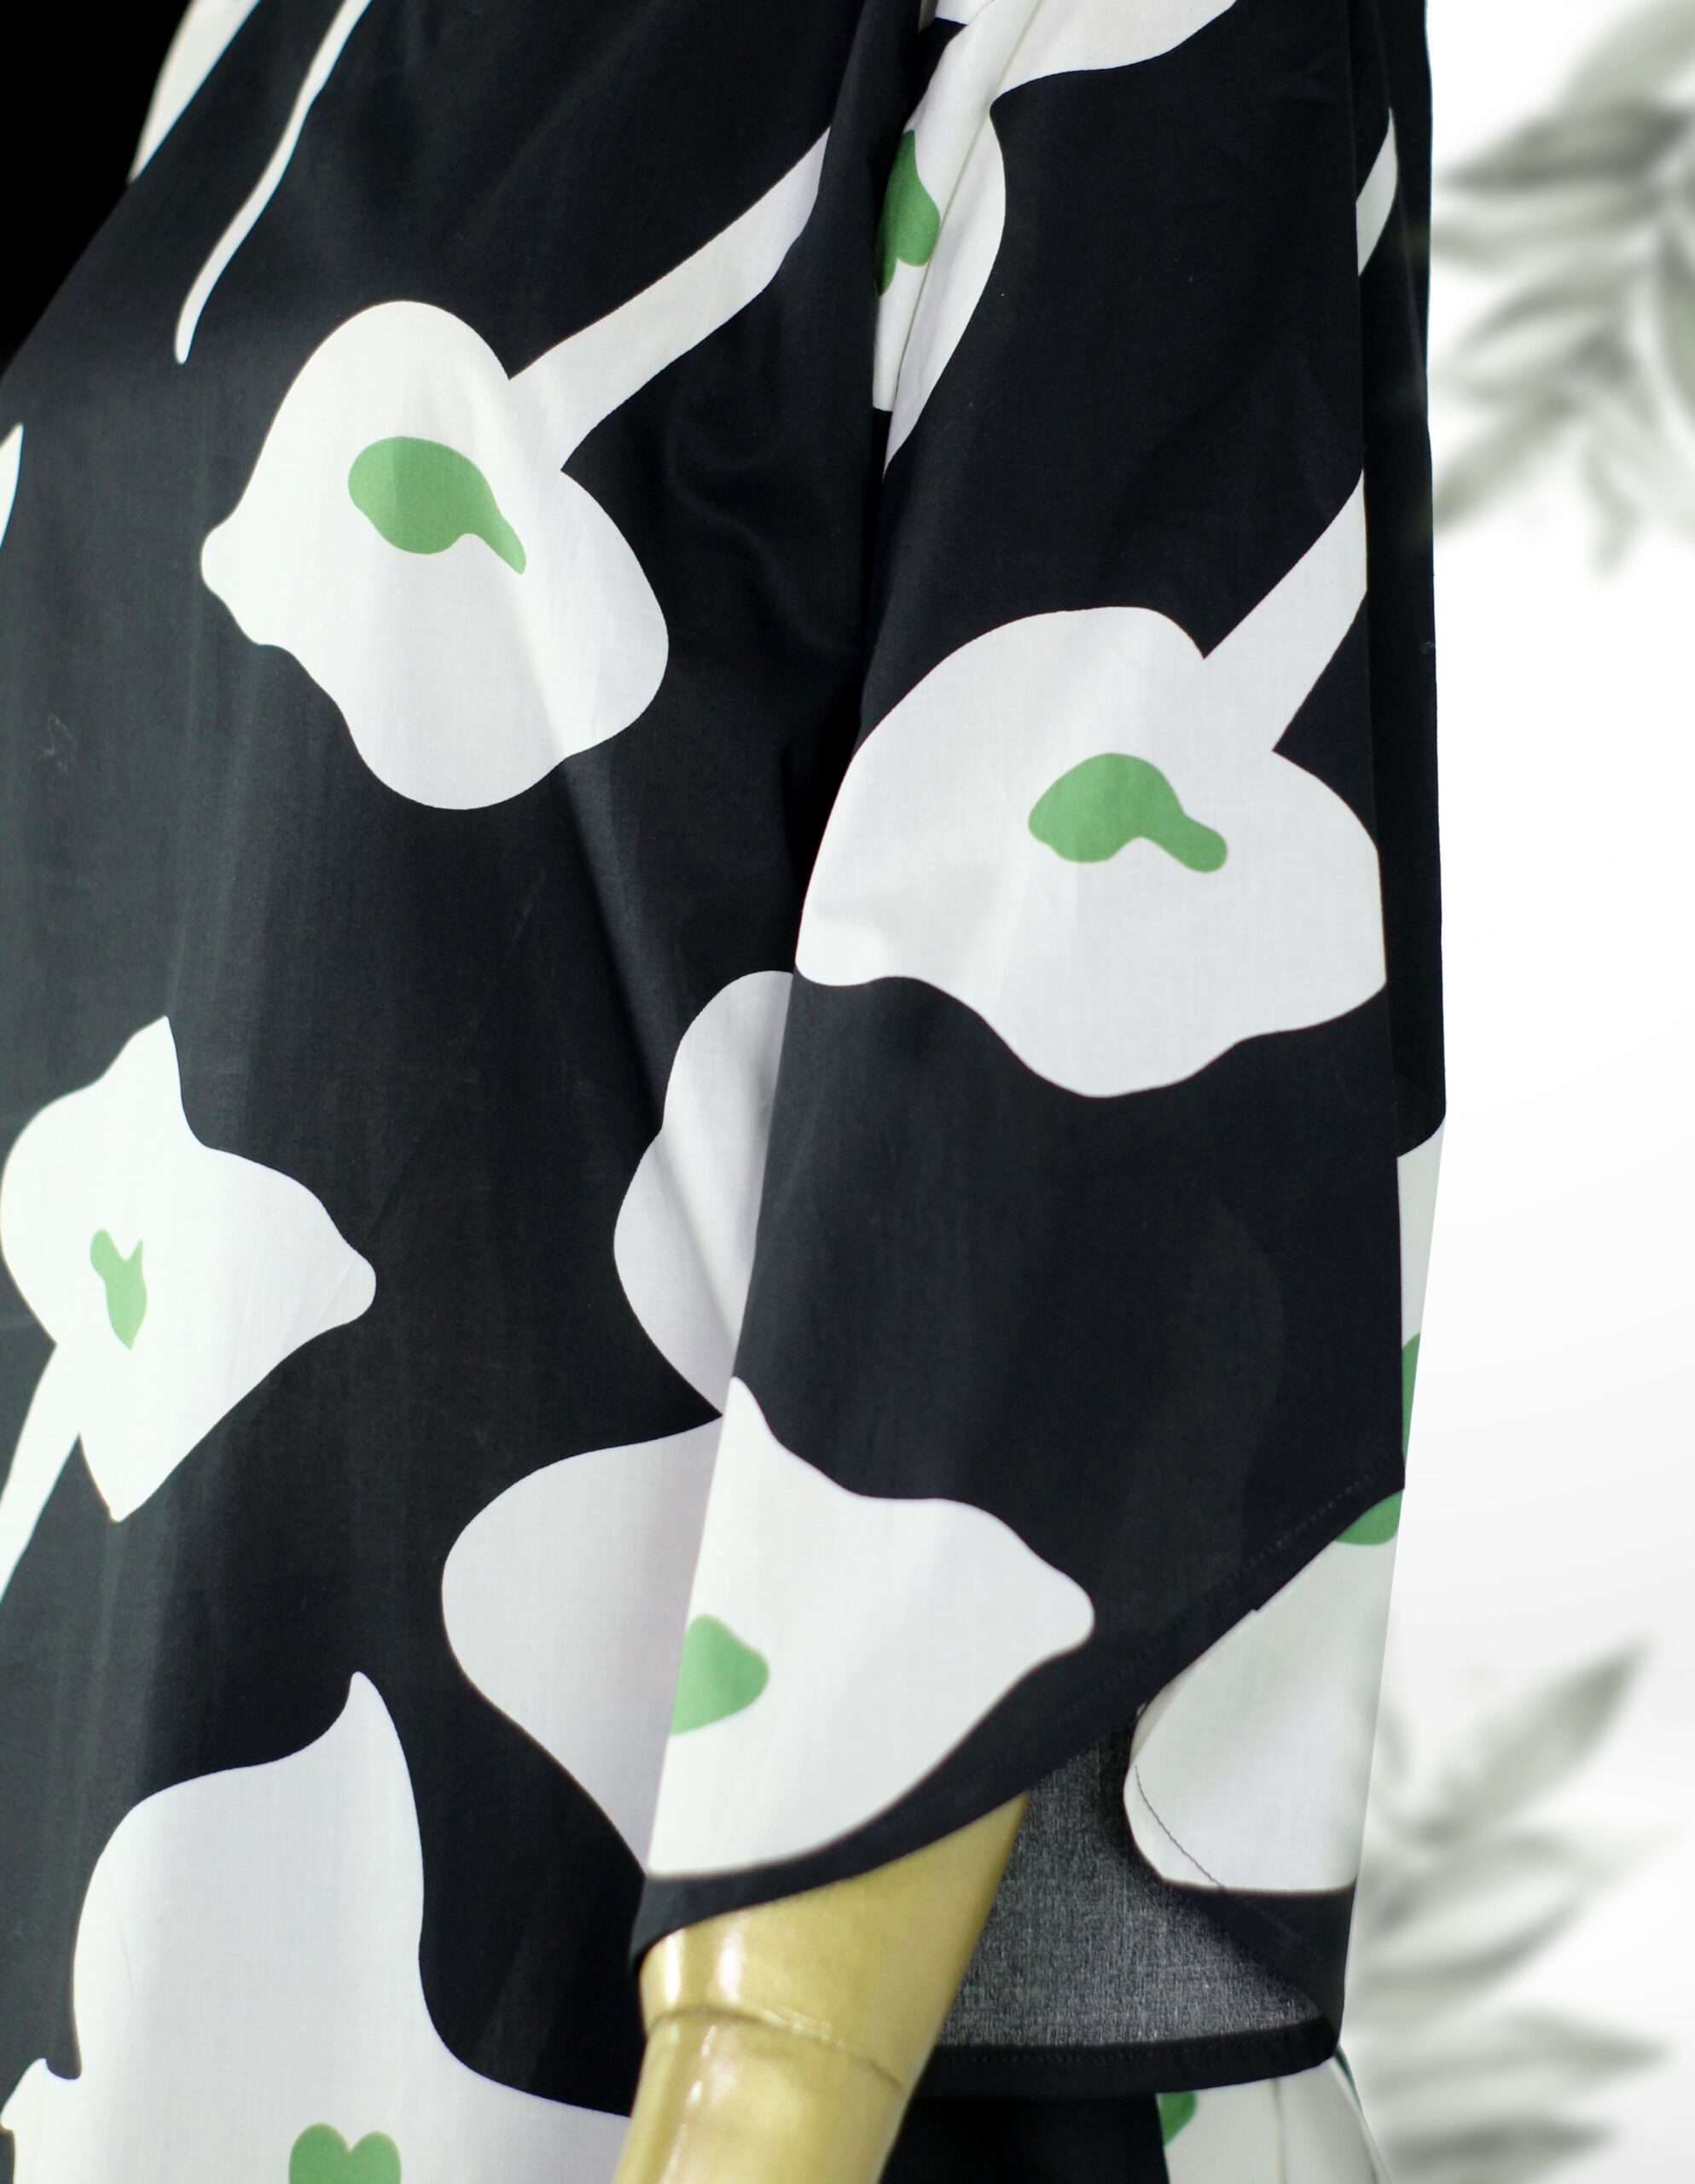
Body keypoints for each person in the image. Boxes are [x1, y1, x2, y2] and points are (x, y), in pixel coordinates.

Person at [0, 2, 1442, 2179]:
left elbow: (1060, 1042)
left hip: (713, 1981)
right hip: (161, 1884)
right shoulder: (242, 37)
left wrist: (762, 2077)